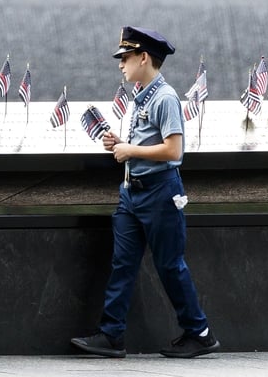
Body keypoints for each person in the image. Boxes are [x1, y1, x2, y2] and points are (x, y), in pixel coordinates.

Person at [70, 26, 220, 359]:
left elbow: (174, 152)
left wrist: (130, 150)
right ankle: (111, 336)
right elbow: (145, 144)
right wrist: (119, 145)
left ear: (143, 57)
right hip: (132, 194)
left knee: (170, 266)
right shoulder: (143, 96)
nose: (121, 64)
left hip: (160, 194)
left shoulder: (165, 97)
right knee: (122, 264)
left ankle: (200, 333)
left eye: (125, 57)